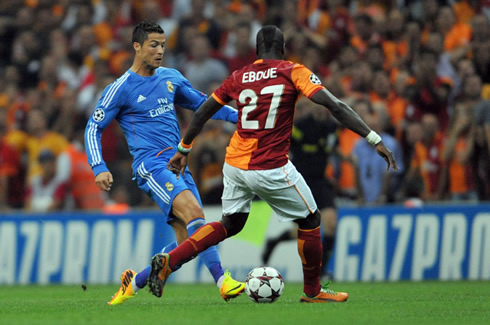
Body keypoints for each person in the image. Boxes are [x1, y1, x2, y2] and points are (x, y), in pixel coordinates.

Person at [154, 25, 398, 303]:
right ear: (282, 48)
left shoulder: (239, 75)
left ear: (257, 50)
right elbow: (335, 106)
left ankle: (170, 261)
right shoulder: (292, 70)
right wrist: (373, 138)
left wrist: (183, 149)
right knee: (311, 219)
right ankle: (313, 291)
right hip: (269, 166)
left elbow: (203, 112)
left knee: (230, 223)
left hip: (234, 164)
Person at [84, 21, 244, 305]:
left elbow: (203, 105)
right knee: (196, 214)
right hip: (150, 166)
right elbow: (92, 128)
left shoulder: (170, 77)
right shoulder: (120, 88)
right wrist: (99, 167)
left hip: (177, 165)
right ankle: (223, 281)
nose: (160, 51)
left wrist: (241, 118)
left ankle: (134, 282)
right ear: (137, 46)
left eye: (163, 45)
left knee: (189, 244)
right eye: (153, 45)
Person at [261, 99, 339, 281]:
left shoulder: (332, 127)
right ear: (312, 106)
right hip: (301, 181)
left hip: (321, 181)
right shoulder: (300, 127)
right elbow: (283, 144)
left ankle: (322, 272)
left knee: (330, 223)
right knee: (307, 229)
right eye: (318, 104)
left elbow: (330, 149)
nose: (321, 109)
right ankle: (275, 241)